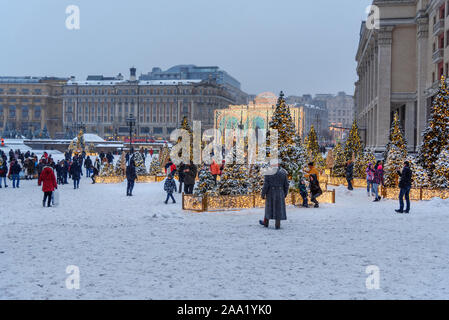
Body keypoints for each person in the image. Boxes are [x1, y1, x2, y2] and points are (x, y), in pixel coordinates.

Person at [259, 161, 289, 230]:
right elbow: (286, 185)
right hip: (280, 192)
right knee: (278, 209)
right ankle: (277, 225)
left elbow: (266, 185)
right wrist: (284, 193)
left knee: (268, 208)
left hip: (270, 193)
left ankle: (266, 223)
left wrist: (263, 194)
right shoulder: (283, 173)